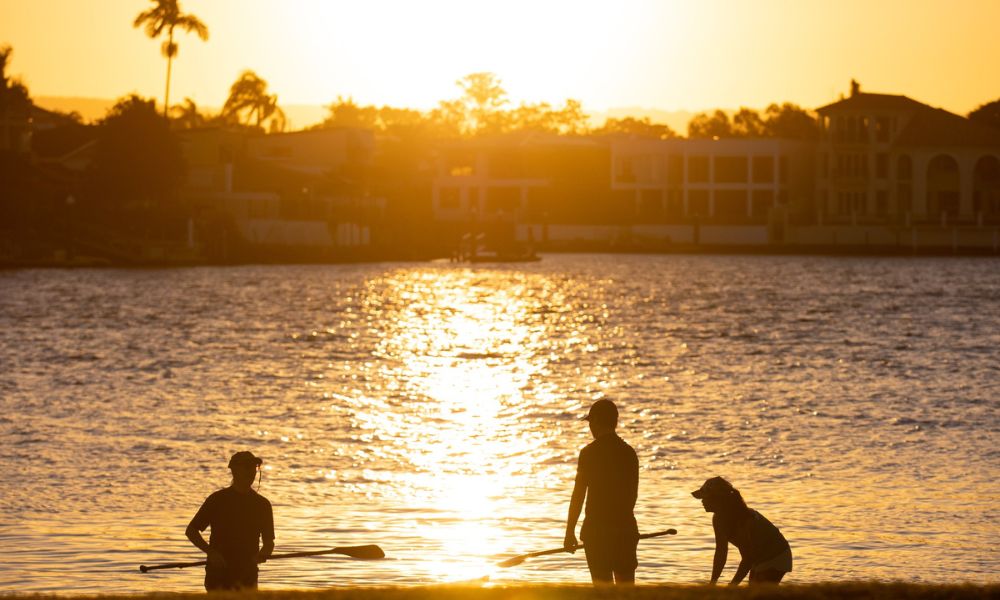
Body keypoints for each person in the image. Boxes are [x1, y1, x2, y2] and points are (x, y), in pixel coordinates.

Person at [564, 398, 639, 585]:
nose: (590, 428)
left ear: (597, 421)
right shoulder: (629, 453)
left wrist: (569, 532)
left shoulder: (589, 454)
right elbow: (633, 496)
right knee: (626, 592)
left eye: (590, 422)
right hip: (625, 530)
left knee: (603, 591)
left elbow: (578, 495)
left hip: (596, 533)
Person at [186, 451, 275, 591]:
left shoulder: (262, 505)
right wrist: (211, 553)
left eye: (253, 467)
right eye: (246, 467)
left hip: (248, 575)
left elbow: (269, 542)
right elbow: (191, 531)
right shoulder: (217, 500)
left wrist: (263, 554)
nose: (250, 472)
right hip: (218, 574)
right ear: (234, 470)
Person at [692, 476, 792, 585]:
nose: (702, 501)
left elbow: (747, 558)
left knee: (758, 593)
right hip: (759, 558)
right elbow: (721, 553)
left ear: (717, 499)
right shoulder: (718, 518)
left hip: (776, 555)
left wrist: (733, 585)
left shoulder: (741, 518)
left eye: (705, 498)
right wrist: (713, 583)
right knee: (753, 592)